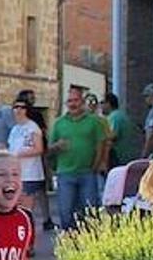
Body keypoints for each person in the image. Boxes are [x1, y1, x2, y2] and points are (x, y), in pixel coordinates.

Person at [47, 86, 110, 231]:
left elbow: (101, 144)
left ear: (82, 102)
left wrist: (97, 165)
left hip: (87, 173)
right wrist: (57, 146)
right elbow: (48, 150)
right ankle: (69, 244)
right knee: (65, 213)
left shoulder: (94, 122)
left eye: (75, 100)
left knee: (89, 212)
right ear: (66, 104)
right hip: (65, 173)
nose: (72, 104)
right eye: (69, 101)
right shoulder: (59, 123)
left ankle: (89, 244)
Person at [6, 99, 45, 251]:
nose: (18, 110)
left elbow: (39, 148)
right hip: (16, 175)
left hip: (30, 174)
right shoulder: (15, 129)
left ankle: (29, 244)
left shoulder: (32, 127)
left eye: (22, 107)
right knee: (14, 211)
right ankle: (18, 242)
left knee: (26, 212)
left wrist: (19, 153)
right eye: (15, 107)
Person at [103, 92, 141, 167]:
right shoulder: (122, 115)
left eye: (102, 103)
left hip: (118, 157)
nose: (101, 106)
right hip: (129, 157)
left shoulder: (114, 117)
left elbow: (112, 136)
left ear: (108, 103)